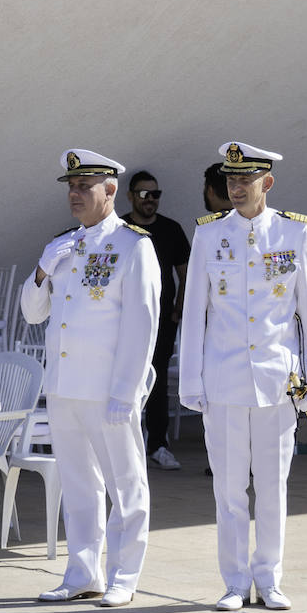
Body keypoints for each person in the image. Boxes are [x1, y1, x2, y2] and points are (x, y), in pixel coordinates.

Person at [178, 141, 307, 612]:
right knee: (228, 487)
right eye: (230, 180)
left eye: (245, 180)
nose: (236, 188)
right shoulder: (208, 235)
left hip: (277, 380)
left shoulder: (293, 233)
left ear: (268, 182)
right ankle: (235, 582)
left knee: (273, 486)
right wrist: (191, 381)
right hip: (223, 380)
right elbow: (194, 313)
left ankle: (270, 577)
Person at [23, 149, 161, 607]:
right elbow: (32, 313)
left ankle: (124, 576)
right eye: (70, 186)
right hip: (65, 386)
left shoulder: (133, 245)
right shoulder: (64, 245)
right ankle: (83, 572)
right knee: (79, 485)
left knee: (126, 484)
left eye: (84, 186)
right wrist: (43, 269)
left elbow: (142, 327)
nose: (74, 194)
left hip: (107, 390)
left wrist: (127, 391)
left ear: (110, 190)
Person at [122, 170, 192, 470]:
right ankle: (125, 447)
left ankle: (158, 445)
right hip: (124, 322)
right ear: (129, 196)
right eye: (143, 194)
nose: (150, 199)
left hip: (162, 321)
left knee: (157, 379)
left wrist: (178, 308)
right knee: (124, 378)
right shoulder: (121, 229)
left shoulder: (172, 230)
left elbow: (186, 273)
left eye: (155, 194)